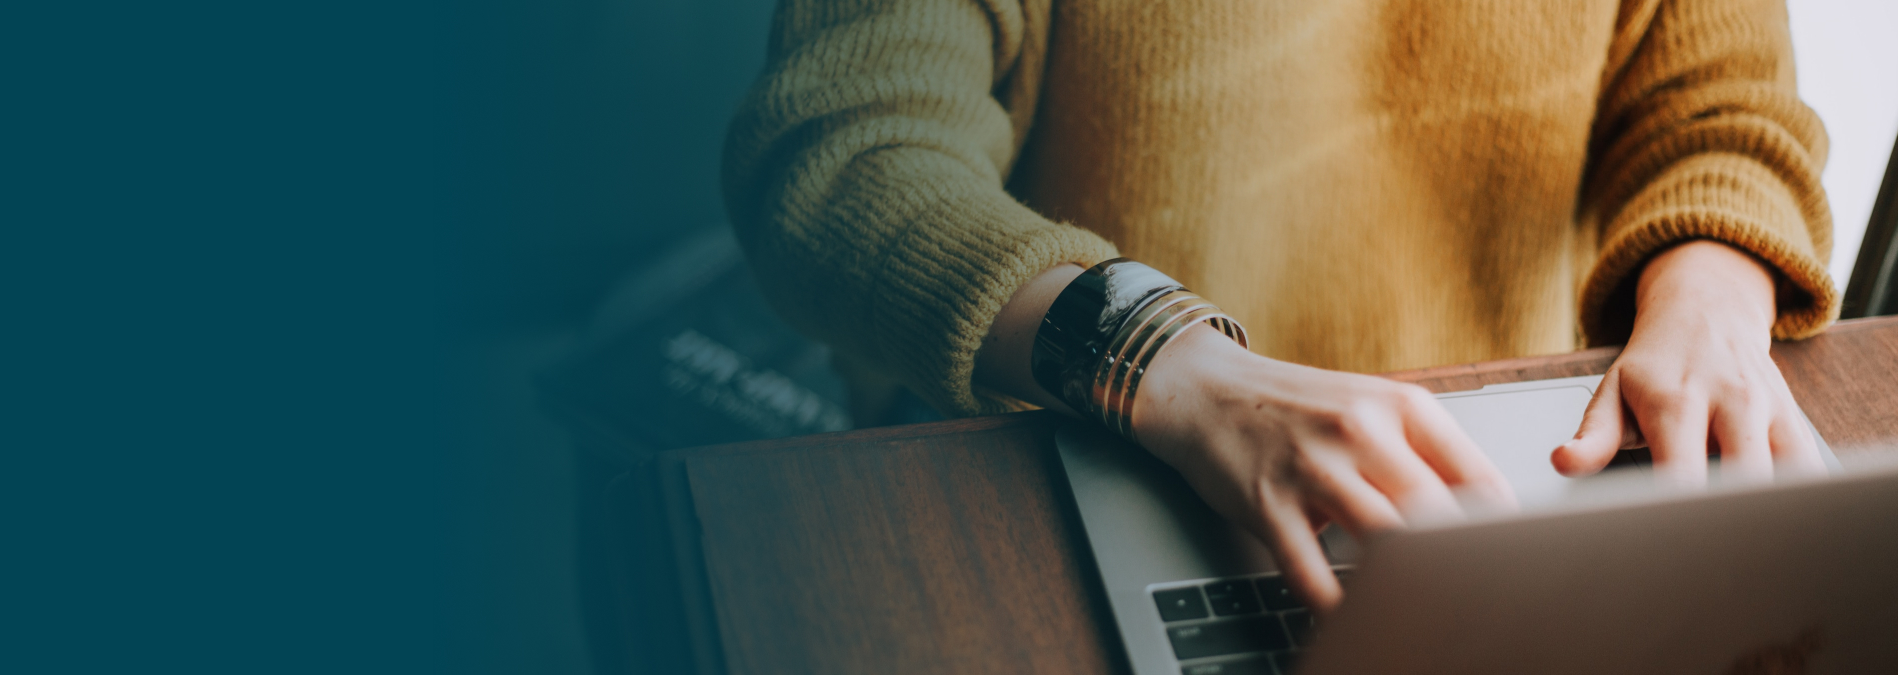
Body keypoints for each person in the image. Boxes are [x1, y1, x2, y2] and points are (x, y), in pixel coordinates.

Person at [721, 0, 1837, 614]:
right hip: (1087, 464)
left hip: (1510, 481)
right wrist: (1167, 363)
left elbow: (1723, 105)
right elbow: (844, 153)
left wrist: (1713, 296)